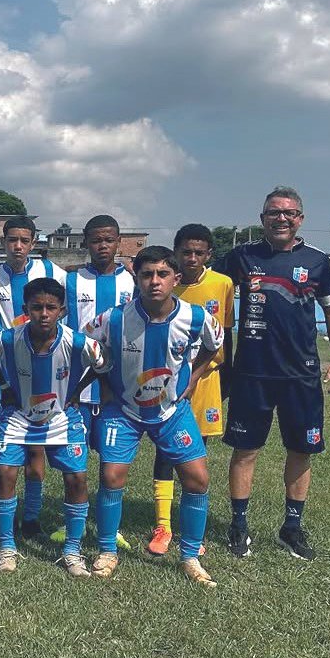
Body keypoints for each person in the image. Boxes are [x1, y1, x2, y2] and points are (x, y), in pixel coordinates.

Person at [218, 186, 330, 560]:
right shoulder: (241, 257)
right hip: (252, 374)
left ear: (300, 218)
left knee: (301, 450)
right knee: (245, 450)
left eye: (289, 212)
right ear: (262, 219)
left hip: (301, 376)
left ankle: (292, 527)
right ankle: (238, 524)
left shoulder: (318, 261)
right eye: (274, 212)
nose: (281, 218)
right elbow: (205, 285)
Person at [86, 246, 222, 586]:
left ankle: (190, 557)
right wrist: (101, 384)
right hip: (124, 411)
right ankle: (107, 550)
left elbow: (214, 344)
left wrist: (193, 377)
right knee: (112, 476)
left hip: (171, 411)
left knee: (198, 479)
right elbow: (85, 347)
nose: (154, 282)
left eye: (162, 274)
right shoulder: (113, 318)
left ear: (176, 278)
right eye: (147, 274)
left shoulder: (196, 317)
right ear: (137, 278)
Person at [0, 278, 109, 577]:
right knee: (4, 474)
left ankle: (71, 551)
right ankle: (6, 547)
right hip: (18, 417)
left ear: (62, 311)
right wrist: (4, 385)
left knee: (77, 479)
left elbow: (103, 366)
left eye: (50, 308)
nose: (43, 313)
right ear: (25, 309)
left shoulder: (78, 342)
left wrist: (77, 391)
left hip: (61, 419)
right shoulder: (5, 339)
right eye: (36, 307)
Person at [146, 224, 233, 556]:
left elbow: (225, 334)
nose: (192, 258)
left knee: (195, 455)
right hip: (165, 382)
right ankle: (163, 525)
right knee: (165, 452)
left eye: (199, 253)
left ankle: (189, 527)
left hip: (205, 379)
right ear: (177, 252)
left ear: (209, 254)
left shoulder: (222, 284)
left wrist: (224, 377)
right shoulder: (166, 284)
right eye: (186, 252)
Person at [48, 214, 135, 547]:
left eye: (109, 239)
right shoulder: (71, 282)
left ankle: (108, 525)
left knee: (111, 461)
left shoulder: (131, 282)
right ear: (85, 242)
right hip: (78, 387)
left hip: (119, 388)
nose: (103, 246)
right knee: (77, 460)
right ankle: (75, 523)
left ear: (118, 242)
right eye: (96, 240)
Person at [0, 216, 67, 538]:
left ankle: (31, 516)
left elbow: (64, 314)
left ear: (33, 242)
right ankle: (0, 513)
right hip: (4, 374)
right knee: (3, 447)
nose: (17, 246)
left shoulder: (54, 274)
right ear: (4, 242)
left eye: (24, 240)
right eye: (11, 240)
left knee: (36, 448)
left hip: (43, 372)